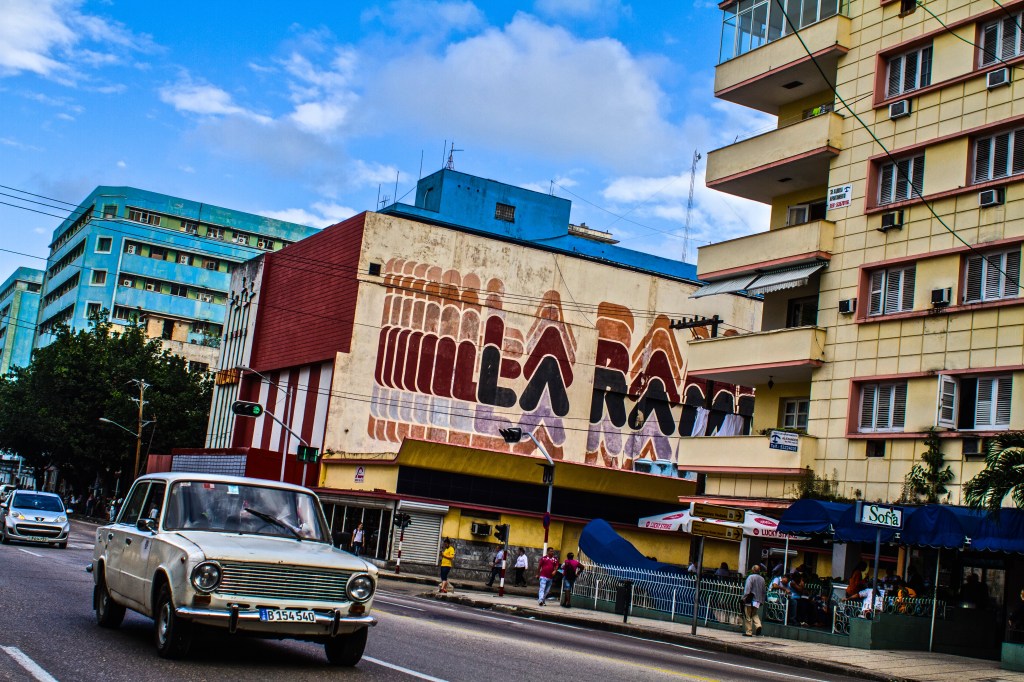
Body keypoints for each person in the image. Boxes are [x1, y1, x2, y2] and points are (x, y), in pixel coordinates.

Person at [743, 564, 766, 636]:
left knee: (748, 615)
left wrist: (744, 598)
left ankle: (749, 632)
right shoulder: (762, 579)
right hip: (758, 600)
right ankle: (758, 625)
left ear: (753, 570)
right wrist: (762, 600)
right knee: (754, 614)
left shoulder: (751, 577)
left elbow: (747, 589)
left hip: (750, 599)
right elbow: (763, 591)